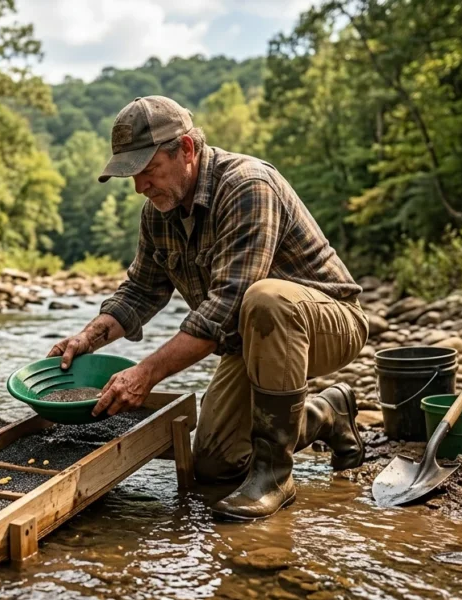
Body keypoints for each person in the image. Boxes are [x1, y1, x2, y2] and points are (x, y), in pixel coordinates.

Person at [47, 95, 369, 521]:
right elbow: (139, 292)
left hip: (327, 323)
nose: (140, 186)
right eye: (133, 175)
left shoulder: (248, 186)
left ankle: (275, 476)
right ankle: (327, 412)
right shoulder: (157, 214)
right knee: (215, 463)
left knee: (266, 297)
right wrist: (87, 336)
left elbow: (228, 304)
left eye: (147, 171)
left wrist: (145, 373)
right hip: (249, 339)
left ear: (186, 150)